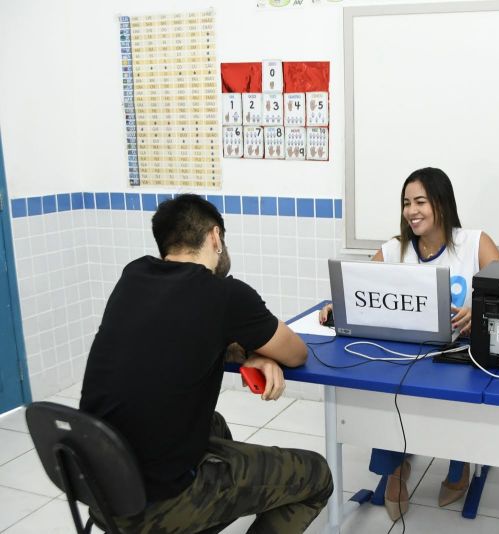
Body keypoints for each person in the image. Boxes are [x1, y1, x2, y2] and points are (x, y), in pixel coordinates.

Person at [80, 194, 333, 533]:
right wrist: (261, 349)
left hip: (99, 485)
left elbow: (178, 333)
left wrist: (252, 349)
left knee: (213, 425)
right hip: (156, 504)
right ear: (215, 237)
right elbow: (296, 353)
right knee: (317, 476)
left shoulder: (133, 276)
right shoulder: (225, 295)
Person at [319, 167, 499, 520]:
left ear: (442, 204)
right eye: (406, 203)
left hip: (458, 358)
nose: (411, 211)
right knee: (389, 395)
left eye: (420, 201)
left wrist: (477, 307)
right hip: (404, 358)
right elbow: (357, 291)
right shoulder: (395, 249)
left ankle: (458, 463)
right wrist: (335, 306)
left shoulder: (475, 243)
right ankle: (395, 468)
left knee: (454, 398)